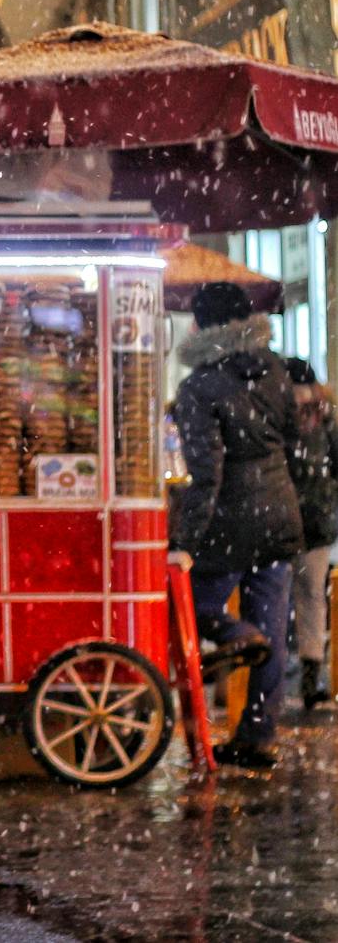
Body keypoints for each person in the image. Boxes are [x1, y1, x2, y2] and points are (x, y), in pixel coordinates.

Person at [171, 282, 303, 770]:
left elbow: (207, 473)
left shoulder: (198, 386)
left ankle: (235, 633)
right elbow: (290, 437)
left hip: (229, 520)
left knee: (194, 606)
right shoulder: (277, 373)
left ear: (200, 326)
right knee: (271, 625)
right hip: (279, 513)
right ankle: (259, 736)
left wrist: (186, 541)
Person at [285, 357, 338, 710]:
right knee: (312, 599)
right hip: (317, 522)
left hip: (283, 522)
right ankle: (309, 677)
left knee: (277, 599)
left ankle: (272, 678)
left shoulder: (280, 414)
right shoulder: (326, 417)